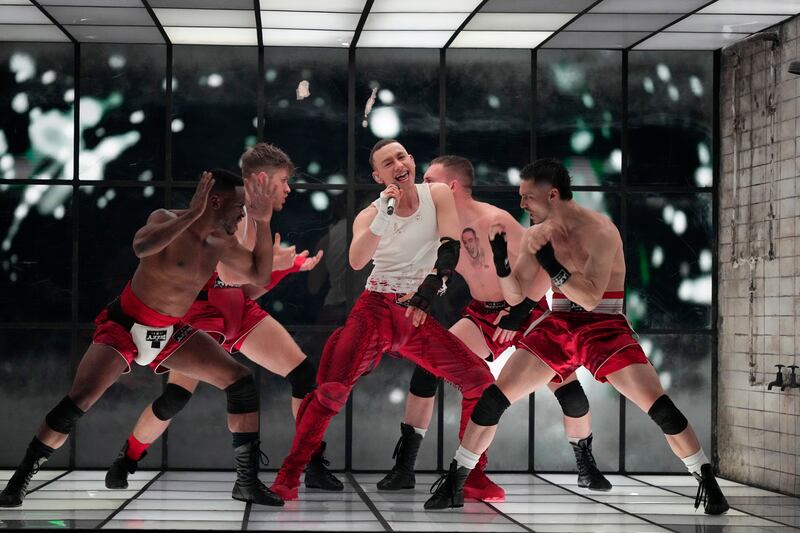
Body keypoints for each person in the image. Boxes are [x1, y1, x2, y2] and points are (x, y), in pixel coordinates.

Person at [424, 158, 729, 514]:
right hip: (560, 323)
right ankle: (456, 481)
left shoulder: (601, 231)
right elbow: (516, 295)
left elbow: (590, 296)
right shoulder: (537, 234)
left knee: (658, 406)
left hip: (604, 325)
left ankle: (706, 481)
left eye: (527, 197)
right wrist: (503, 265)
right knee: (494, 398)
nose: (522, 204)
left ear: (552, 195)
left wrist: (552, 264)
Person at [0, 169, 284, 508]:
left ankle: (247, 482)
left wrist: (264, 222)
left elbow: (259, 274)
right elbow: (141, 246)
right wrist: (193, 214)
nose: (242, 214)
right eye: (239, 206)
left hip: (170, 330)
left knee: (239, 381)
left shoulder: (222, 242)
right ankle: (21, 479)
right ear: (215, 201)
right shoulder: (165, 218)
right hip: (127, 323)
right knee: (81, 398)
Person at [103, 143, 341, 494]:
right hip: (197, 314)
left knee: (304, 375)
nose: (289, 189)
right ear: (261, 180)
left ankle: (313, 462)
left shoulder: (254, 216)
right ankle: (127, 458)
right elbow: (229, 276)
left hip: (235, 310)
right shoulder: (229, 212)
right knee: (175, 398)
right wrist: (275, 265)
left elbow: (245, 290)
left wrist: (282, 269)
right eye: (284, 180)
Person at [268, 139, 495, 501]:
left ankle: (472, 475)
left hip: (415, 311)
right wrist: (385, 216)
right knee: (331, 391)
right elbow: (357, 261)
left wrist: (432, 285)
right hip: (375, 310)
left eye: (402, 156)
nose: (398, 164)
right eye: (388, 163)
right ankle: (289, 474)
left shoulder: (436, 193)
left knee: (480, 381)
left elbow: (449, 245)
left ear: (412, 161)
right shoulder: (371, 214)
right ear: (378, 176)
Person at [377, 156, 611, 503]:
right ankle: (405, 467)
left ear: (451, 186)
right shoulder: (439, 226)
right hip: (482, 316)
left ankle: (586, 464)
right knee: (427, 370)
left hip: (526, 312)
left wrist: (520, 311)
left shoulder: (494, 220)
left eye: (429, 179)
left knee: (570, 392)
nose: (423, 186)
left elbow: (548, 261)